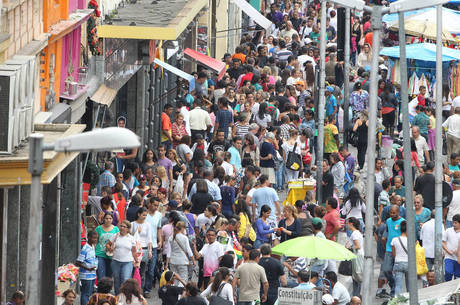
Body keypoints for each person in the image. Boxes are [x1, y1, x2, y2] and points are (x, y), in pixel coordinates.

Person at [382, 205, 405, 297]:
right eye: (390, 212)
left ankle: (395, 292)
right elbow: (387, 234)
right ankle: (393, 286)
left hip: (399, 250)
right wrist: (386, 247)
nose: (392, 214)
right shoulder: (388, 221)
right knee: (386, 270)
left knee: (398, 272)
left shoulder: (403, 222)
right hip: (389, 249)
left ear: (398, 212)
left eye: (394, 213)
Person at [166, 221, 194, 286]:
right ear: (182, 228)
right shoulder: (184, 238)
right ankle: (180, 294)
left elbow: (168, 252)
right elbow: (189, 251)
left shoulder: (171, 238)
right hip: (182, 261)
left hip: (172, 261)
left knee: (174, 279)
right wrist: (193, 260)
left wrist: (167, 264)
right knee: (183, 279)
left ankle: (175, 294)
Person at [76, 230, 98, 305]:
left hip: (92, 274)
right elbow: (78, 262)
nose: (95, 240)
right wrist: (88, 269)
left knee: (89, 293)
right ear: (88, 237)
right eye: (93, 238)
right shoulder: (85, 249)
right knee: (85, 294)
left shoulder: (92, 246)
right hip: (86, 276)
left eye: (96, 238)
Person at [95, 212, 119, 279]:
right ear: (103, 219)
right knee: (100, 274)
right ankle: (101, 289)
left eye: (110, 218)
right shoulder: (98, 228)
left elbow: (118, 241)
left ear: (112, 219)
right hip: (100, 254)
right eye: (106, 218)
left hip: (112, 255)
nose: (108, 220)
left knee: (109, 276)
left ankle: (108, 289)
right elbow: (95, 241)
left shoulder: (116, 229)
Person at [391, 220, 408, 296]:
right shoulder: (411, 240)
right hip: (408, 263)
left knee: (398, 285)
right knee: (410, 285)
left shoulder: (394, 240)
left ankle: (398, 301)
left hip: (398, 263)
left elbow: (394, 254)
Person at [347, 217, 363, 297]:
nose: (347, 225)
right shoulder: (357, 232)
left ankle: (356, 297)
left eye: (348, 223)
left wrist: (349, 248)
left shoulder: (354, 234)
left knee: (357, 278)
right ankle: (356, 296)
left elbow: (358, 246)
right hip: (358, 257)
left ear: (351, 224)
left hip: (357, 257)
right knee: (357, 278)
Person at [442, 214, 460, 281]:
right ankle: (446, 287)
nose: (454, 224)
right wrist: (448, 251)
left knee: (457, 277)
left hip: (458, 258)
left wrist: (457, 251)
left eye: (456, 223)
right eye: (453, 222)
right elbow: (443, 242)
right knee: (448, 272)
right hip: (449, 257)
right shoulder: (448, 230)